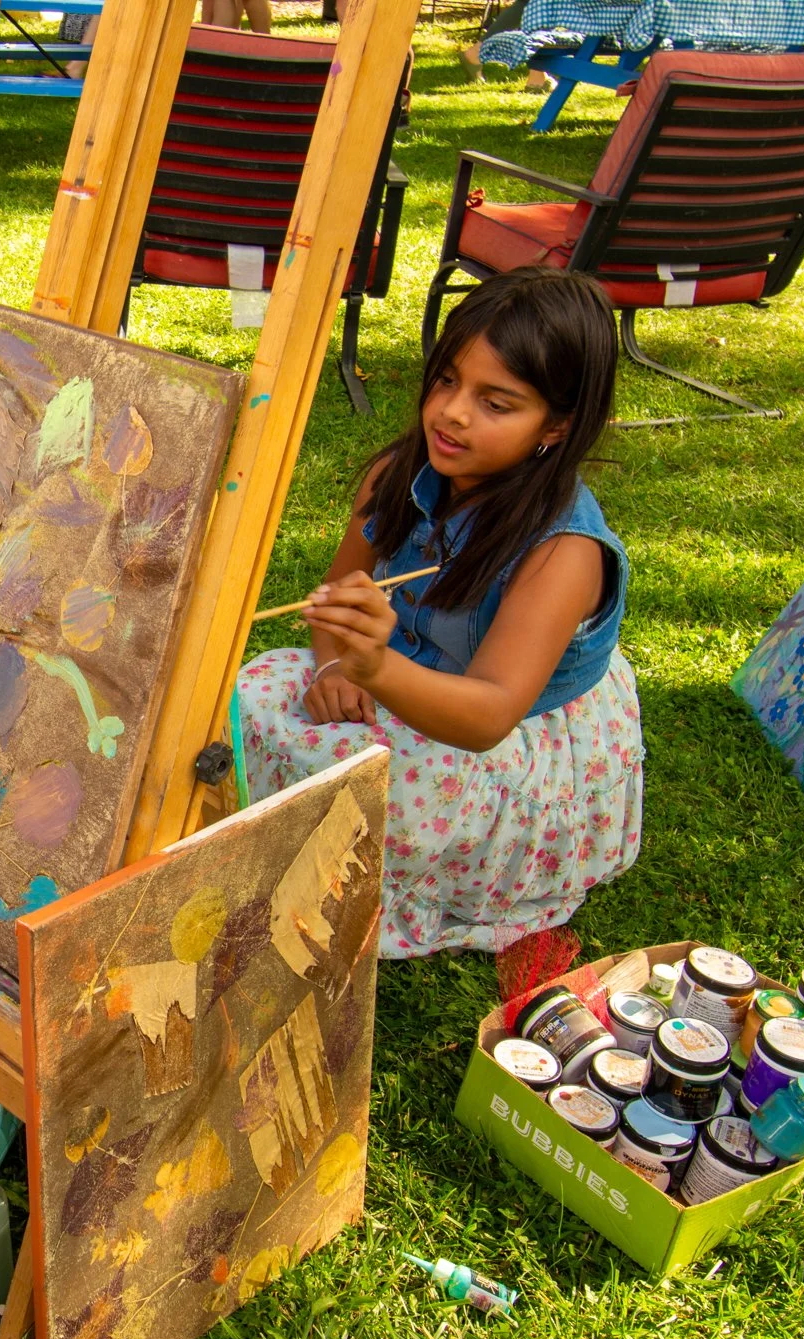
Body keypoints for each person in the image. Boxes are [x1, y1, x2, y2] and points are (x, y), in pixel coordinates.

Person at [234, 266, 643, 958]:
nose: (452, 412)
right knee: (251, 693)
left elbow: (487, 714)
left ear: (556, 426)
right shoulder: (399, 474)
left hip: (500, 729)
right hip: (398, 679)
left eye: (497, 403)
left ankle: (412, 879)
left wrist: (376, 667)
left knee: (400, 792)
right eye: (448, 380)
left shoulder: (563, 552)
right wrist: (337, 663)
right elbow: (336, 599)